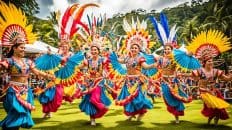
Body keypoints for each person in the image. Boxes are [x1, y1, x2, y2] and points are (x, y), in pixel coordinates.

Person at [186, 29, 232, 125]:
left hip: (214, 92)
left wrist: (230, 75)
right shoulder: (200, 70)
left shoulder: (216, 71)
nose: (211, 62)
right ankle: (209, 121)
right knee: (212, 107)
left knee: (218, 108)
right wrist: (181, 74)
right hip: (205, 92)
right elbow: (191, 75)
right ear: (204, 63)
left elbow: (226, 79)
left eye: (211, 61)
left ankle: (214, 123)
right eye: (209, 61)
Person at [79, 41, 111, 126]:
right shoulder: (87, 61)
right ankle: (92, 119)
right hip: (90, 83)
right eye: (92, 50)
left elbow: (107, 69)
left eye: (95, 50)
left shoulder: (102, 60)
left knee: (94, 99)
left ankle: (103, 108)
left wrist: (106, 74)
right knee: (89, 101)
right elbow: (79, 68)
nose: (93, 51)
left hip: (99, 83)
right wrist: (83, 74)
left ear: (98, 51)